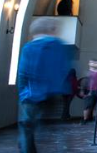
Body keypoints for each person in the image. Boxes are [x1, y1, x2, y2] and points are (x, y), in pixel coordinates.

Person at [17, 17, 72, 153]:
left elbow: (23, 73)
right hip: (54, 94)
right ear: (51, 30)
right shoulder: (59, 46)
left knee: (27, 129)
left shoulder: (29, 47)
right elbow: (64, 69)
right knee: (54, 129)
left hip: (32, 94)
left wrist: (23, 92)